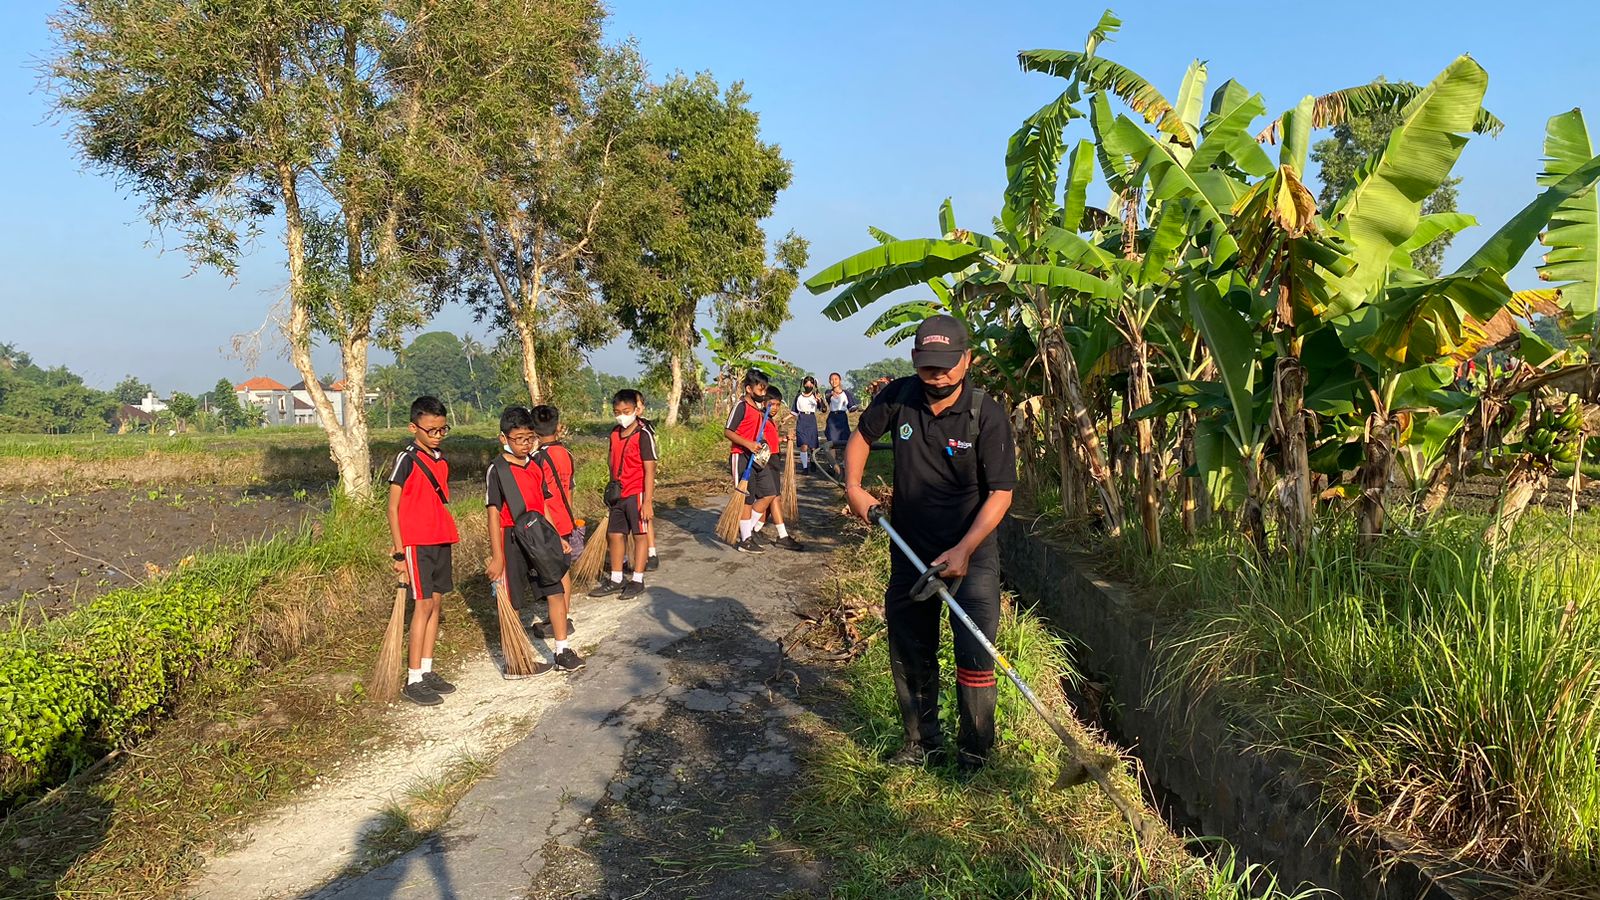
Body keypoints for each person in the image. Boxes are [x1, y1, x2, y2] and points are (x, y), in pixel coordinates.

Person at [841, 316, 1016, 774]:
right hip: (910, 552)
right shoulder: (898, 396)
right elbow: (861, 438)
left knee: (974, 654)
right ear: (916, 362)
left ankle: (974, 752)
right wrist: (854, 486)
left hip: (970, 557)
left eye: (946, 367)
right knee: (911, 648)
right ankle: (922, 742)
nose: (937, 377)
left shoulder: (985, 412)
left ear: (967, 360)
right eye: (927, 368)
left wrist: (963, 550)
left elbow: (1001, 492)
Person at [484, 407, 574, 673]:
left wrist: (556, 536)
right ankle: (515, 662)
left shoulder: (535, 465)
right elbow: (492, 513)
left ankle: (562, 651)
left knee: (555, 589)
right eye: (518, 439)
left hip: (538, 535)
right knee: (512, 599)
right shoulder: (496, 470)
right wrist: (497, 555)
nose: (525, 444)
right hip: (510, 536)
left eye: (529, 438)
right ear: (504, 438)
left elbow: (544, 505)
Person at [386, 396, 461, 706]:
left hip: (441, 537)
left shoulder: (441, 460)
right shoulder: (406, 458)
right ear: (413, 427)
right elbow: (393, 507)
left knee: (436, 604)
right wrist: (399, 549)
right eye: (431, 430)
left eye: (442, 430)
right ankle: (413, 677)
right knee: (423, 606)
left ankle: (427, 669)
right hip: (417, 543)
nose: (437, 435)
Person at [527, 405, 583, 667]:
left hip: (549, 522)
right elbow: (568, 488)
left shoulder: (537, 459)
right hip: (565, 517)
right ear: (558, 427)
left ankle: (557, 621)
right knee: (564, 572)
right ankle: (564, 616)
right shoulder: (565, 454)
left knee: (553, 577)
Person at [590, 390, 657, 599]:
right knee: (615, 535)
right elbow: (612, 462)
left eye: (626, 411)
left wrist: (647, 501)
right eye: (617, 411)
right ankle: (616, 578)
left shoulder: (643, 434)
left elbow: (650, 469)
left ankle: (637, 579)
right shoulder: (614, 433)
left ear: (636, 410)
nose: (621, 415)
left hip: (636, 492)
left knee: (639, 535)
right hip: (618, 493)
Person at [724, 370, 776, 552]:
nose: (763, 394)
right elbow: (728, 431)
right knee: (746, 499)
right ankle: (745, 539)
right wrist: (748, 444)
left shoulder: (758, 408)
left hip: (757, 459)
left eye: (765, 390)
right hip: (741, 456)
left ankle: (748, 529)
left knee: (769, 493)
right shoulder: (741, 406)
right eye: (760, 390)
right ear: (749, 389)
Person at [793, 376, 821, 474]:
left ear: (813, 385)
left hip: (811, 419)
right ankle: (805, 467)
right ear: (803, 384)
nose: (808, 385)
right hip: (801, 420)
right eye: (807, 383)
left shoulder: (816, 396)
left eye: (810, 383)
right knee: (803, 444)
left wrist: (819, 401)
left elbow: (823, 409)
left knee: (812, 445)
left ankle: (813, 461)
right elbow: (794, 411)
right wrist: (785, 419)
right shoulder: (799, 396)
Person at [823, 371, 857, 448]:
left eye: (836, 379)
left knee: (845, 441)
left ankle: (844, 459)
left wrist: (855, 409)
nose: (834, 381)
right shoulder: (828, 392)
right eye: (832, 379)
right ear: (829, 381)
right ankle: (831, 459)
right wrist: (831, 394)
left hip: (842, 417)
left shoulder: (846, 393)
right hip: (832, 418)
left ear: (840, 380)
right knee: (831, 442)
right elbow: (827, 397)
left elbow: (851, 407)